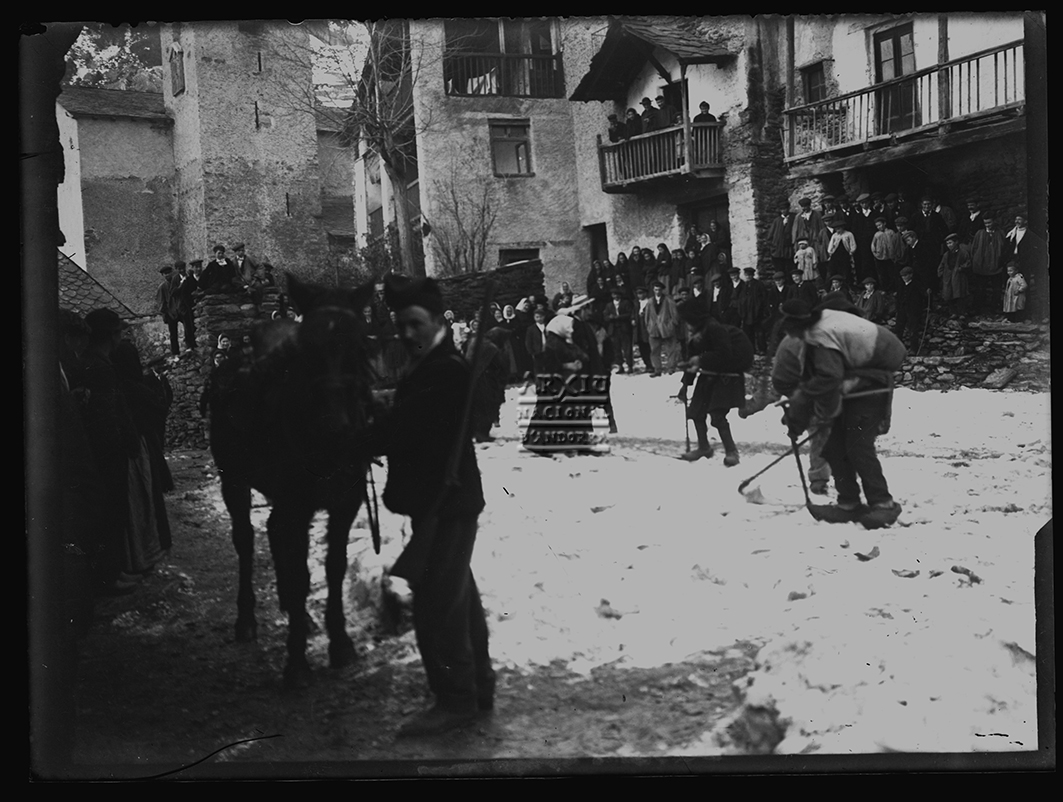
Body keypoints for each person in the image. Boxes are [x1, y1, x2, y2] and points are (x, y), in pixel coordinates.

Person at [369, 274, 494, 737]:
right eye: (400, 324)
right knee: (458, 596)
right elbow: (411, 409)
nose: (406, 333)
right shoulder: (433, 363)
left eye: (415, 323)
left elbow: (407, 427)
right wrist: (386, 403)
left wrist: (360, 436)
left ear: (439, 321)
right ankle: (478, 687)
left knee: (437, 603)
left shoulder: (444, 369)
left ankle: (456, 700)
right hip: (444, 500)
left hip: (447, 502)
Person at [777, 298, 906, 528]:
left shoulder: (819, 336)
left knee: (858, 445)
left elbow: (827, 378)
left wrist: (797, 416)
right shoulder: (815, 334)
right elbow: (820, 387)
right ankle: (848, 503)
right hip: (854, 384)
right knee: (834, 446)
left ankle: (883, 504)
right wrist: (801, 416)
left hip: (870, 386)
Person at [676, 303, 754, 466]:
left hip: (726, 377)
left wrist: (700, 359)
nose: (687, 325)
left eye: (688, 321)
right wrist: (685, 384)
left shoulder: (714, 328)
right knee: (696, 412)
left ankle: (731, 451)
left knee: (717, 416)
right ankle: (704, 447)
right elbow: (693, 358)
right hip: (708, 375)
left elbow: (724, 354)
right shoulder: (696, 334)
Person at [970, 215, 1007, 314]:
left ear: (994, 221)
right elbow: (974, 248)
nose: (987, 225)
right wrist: (976, 260)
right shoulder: (979, 233)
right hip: (981, 265)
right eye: (985, 223)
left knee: (997, 289)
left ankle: (994, 308)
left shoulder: (1000, 233)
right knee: (980, 288)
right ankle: (977, 308)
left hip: (996, 265)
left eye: (989, 222)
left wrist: (1001, 261)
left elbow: (1004, 247)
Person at [643, 280, 680, 377]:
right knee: (654, 350)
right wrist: (649, 326)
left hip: (667, 329)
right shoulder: (650, 302)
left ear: (662, 290)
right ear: (653, 290)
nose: (657, 291)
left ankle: (671, 368)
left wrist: (671, 325)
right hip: (654, 329)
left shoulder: (668, 300)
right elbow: (647, 316)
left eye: (659, 290)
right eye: (656, 290)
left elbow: (675, 315)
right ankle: (657, 369)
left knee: (671, 349)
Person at [893, 265, 929, 352]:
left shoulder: (917, 284)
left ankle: (914, 350)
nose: (903, 278)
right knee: (898, 329)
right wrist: (898, 308)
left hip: (913, 311)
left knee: (913, 330)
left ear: (911, 275)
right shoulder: (901, 285)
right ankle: (897, 349)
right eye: (902, 276)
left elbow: (924, 296)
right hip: (902, 310)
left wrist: (927, 294)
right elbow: (898, 298)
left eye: (905, 275)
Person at [938, 232, 972, 317]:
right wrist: (941, 273)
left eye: (950, 243)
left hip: (959, 277)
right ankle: (953, 312)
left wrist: (961, 268)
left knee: (960, 295)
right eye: (947, 244)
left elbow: (968, 263)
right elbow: (942, 265)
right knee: (949, 295)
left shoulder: (963, 253)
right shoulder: (946, 255)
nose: (949, 245)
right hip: (948, 278)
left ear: (956, 242)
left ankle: (962, 312)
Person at [603, 287, 635, 374]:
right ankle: (620, 366)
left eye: (617, 294)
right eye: (614, 294)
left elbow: (629, 314)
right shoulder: (609, 305)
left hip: (624, 328)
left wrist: (618, 317)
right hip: (613, 330)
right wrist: (610, 317)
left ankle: (630, 366)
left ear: (620, 295)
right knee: (616, 349)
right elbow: (605, 316)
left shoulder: (625, 303)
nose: (615, 296)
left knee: (627, 348)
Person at [768, 202, 794, 275]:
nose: (783, 211)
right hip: (778, 249)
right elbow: (771, 234)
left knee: (790, 268)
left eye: (785, 209)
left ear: (788, 209)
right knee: (779, 269)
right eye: (782, 209)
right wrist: (773, 246)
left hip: (789, 249)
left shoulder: (793, 218)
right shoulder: (777, 220)